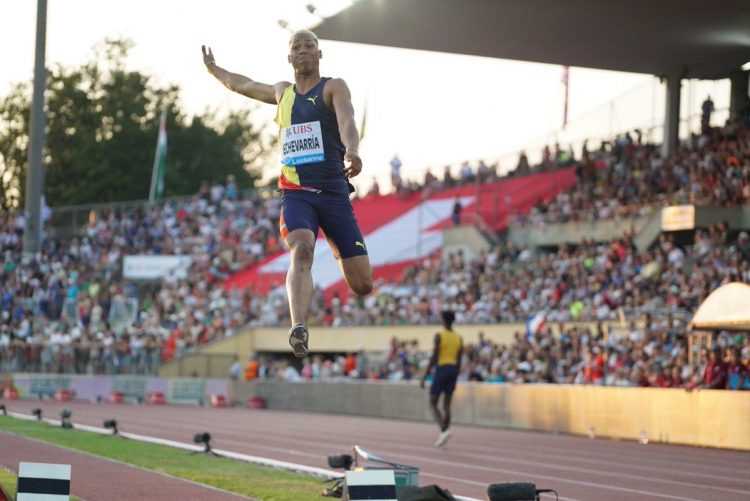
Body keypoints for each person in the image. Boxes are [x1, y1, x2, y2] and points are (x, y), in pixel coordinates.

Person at [202, 30, 373, 358]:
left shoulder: (333, 87)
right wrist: (215, 70)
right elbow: (244, 84)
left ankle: (340, 251)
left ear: (319, 55)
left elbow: (347, 119)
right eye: (297, 47)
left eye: (310, 46)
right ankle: (299, 326)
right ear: (289, 58)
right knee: (302, 248)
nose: (304, 50)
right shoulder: (283, 93)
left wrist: (352, 149)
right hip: (297, 195)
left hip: (335, 195)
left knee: (363, 285)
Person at [420, 309, 463, 448]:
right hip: (453, 370)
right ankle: (444, 433)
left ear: (443, 320)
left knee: (432, 404)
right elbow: (459, 359)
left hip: (442, 369)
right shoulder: (458, 338)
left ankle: (444, 430)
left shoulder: (439, 335)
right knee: (446, 406)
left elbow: (434, 356)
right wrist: (456, 376)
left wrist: (425, 374)